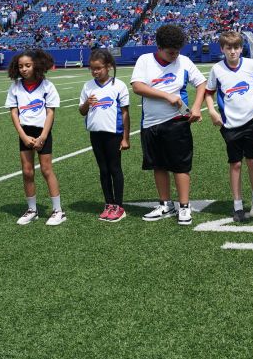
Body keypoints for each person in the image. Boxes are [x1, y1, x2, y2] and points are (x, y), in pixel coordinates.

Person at [132, 24, 207, 225]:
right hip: (150, 123)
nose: (174, 55)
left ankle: (184, 207)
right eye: (170, 52)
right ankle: (165, 205)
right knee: (158, 166)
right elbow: (137, 87)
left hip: (177, 123)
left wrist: (198, 107)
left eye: (177, 51)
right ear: (159, 46)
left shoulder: (185, 62)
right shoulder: (145, 60)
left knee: (180, 166)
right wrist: (167, 96)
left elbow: (201, 83)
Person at [205, 31, 253, 221]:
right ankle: (237, 204)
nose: (233, 51)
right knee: (235, 164)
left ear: (241, 48)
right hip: (230, 124)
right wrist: (213, 111)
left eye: (236, 47)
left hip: (252, 122)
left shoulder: (251, 65)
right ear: (222, 49)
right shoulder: (217, 69)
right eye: (228, 48)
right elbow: (209, 93)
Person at [5, 48, 63, 226]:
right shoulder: (15, 86)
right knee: (27, 171)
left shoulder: (47, 86)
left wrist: (43, 136)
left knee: (46, 170)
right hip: (25, 133)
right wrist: (23, 136)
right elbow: (14, 113)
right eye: (20, 66)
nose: (24, 69)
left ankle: (58, 210)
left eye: (28, 65)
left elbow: (50, 112)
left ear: (36, 65)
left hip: (42, 132)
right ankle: (32, 210)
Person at [80, 48, 131, 223]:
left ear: (108, 66)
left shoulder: (119, 85)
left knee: (114, 168)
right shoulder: (88, 86)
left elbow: (125, 113)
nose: (95, 71)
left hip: (113, 134)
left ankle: (119, 205)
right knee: (103, 170)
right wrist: (87, 103)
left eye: (98, 68)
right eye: (92, 68)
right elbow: (81, 111)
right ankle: (108, 203)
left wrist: (125, 137)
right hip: (95, 133)